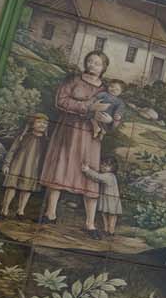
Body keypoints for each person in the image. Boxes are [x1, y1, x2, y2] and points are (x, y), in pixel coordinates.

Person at [39, 50, 115, 239]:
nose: (92, 65)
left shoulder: (105, 91)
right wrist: (88, 108)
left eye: (97, 63)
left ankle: (89, 223)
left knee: (88, 173)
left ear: (103, 68)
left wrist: (109, 119)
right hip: (68, 130)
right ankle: (51, 214)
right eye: (90, 61)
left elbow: (114, 115)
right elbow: (61, 101)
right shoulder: (73, 80)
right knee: (60, 167)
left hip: (90, 135)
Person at [0, 113, 49, 218]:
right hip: (17, 165)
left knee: (27, 189)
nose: (42, 125)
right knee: (11, 187)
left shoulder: (46, 141)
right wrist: (7, 164)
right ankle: (4, 211)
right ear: (32, 124)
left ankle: (20, 211)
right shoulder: (23, 137)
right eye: (39, 122)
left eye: (45, 123)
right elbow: (12, 150)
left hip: (33, 169)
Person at [81, 157, 123, 236]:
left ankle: (111, 231)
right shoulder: (106, 175)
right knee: (104, 214)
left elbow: (97, 177)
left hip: (111, 201)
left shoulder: (109, 176)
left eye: (107, 165)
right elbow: (96, 179)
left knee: (112, 215)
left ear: (113, 168)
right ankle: (106, 230)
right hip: (106, 199)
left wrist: (88, 170)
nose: (103, 167)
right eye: (102, 164)